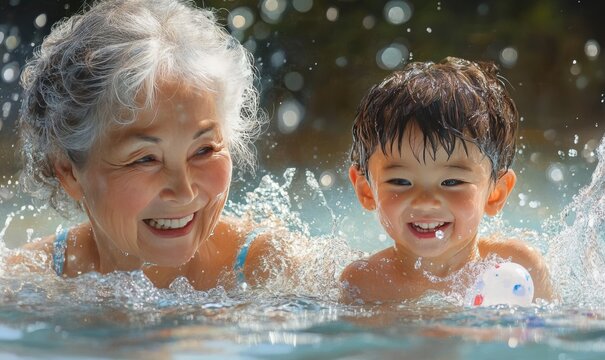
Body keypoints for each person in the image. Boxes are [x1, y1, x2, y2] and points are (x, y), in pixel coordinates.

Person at [13, 0, 282, 290]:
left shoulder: (269, 268)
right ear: (69, 172)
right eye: (146, 159)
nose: (183, 192)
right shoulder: (29, 280)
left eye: (204, 150)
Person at [340, 57, 555, 304]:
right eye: (400, 181)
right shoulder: (365, 283)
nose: (426, 202)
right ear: (367, 191)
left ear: (496, 193)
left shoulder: (519, 264)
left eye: (452, 182)